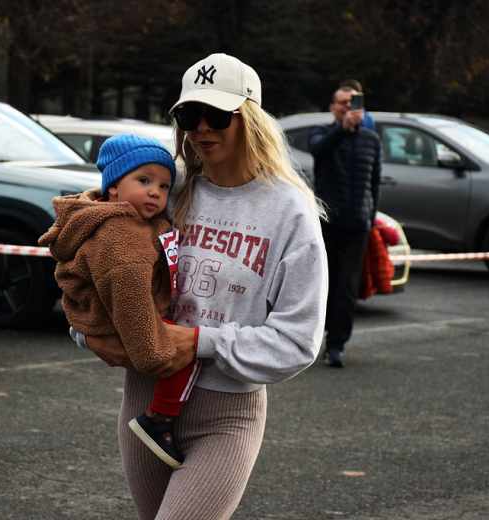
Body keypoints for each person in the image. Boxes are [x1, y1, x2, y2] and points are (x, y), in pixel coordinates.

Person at [72, 53, 328, 520]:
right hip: (143, 401)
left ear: (249, 118)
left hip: (226, 414)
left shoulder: (290, 210)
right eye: (189, 115)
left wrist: (198, 341)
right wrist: (89, 334)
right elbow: (93, 272)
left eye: (218, 115)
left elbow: (298, 341)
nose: (201, 129)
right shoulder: (167, 190)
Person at [39, 134, 202, 468]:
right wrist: (154, 353)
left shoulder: (115, 217)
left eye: (164, 186)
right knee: (187, 355)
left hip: (105, 312)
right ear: (113, 185)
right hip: (116, 318)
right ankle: (159, 420)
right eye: (144, 181)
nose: (156, 192)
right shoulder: (122, 235)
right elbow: (131, 298)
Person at [308, 85, 382, 368]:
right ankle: (315, 336)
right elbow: (319, 151)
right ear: (332, 108)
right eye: (341, 103)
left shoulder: (371, 140)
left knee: (348, 285)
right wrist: (343, 128)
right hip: (328, 222)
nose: (346, 107)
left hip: (358, 224)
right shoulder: (322, 132)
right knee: (325, 282)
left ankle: (336, 345)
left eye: (351, 102)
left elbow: (375, 182)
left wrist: (371, 214)